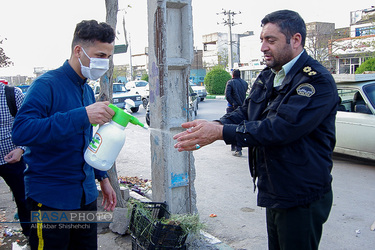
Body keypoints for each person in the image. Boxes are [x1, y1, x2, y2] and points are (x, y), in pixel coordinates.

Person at [174, 10, 339, 250]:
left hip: (301, 194)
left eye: (270, 40)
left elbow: (280, 129)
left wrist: (221, 133)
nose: (263, 47)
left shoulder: (316, 81)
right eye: (262, 39)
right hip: (275, 188)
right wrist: (217, 124)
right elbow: (247, 110)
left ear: (295, 40)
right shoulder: (269, 75)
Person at [12, 20, 117, 250]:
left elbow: (89, 141)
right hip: (50, 200)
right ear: (78, 50)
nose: (104, 62)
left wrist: (103, 177)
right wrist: (81, 115)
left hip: (85, 197)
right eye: (100, 55)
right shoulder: (46, 85)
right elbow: (21, 130)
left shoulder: (87, 90)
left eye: (108, 57)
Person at [0, 83, 30, 237]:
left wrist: (21, 148)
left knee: (24, 200)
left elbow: (29, 123)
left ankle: (31, 236)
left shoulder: (12, 94)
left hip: (13, 161)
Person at [224, 69, 248, 157]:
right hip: (242, 108)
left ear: (233, 75)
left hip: (232, 107)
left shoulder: (230, 82)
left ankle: (237, 148)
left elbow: (227, 95)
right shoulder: (244, 83)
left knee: (232, 127)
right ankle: (235, 146)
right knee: (240, 126)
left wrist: (234, 103)